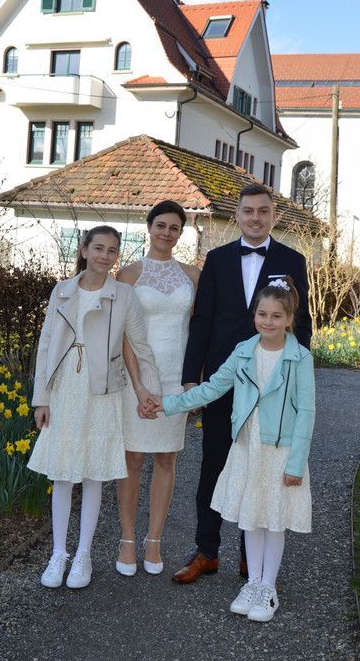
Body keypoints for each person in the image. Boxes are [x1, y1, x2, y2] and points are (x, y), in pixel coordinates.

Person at [147, 277, 315, 622]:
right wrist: (167, 404)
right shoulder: (243, 351)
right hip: (248, 447)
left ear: (289, 319)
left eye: (276, 316)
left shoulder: (299, 358)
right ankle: (252, 584)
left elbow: (306, 413)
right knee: (252, 516)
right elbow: (211, 389)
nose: (268, 321)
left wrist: (296, 463)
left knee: (273, 519)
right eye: (262, 314)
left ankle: (268, 587)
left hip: (280, 451)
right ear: (254, 316)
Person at [173, 182, 312, 584]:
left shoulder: (292, 260)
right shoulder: (216, 259)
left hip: (270, 382)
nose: (255, 218)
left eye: (263, 211)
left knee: (263, 466)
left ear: (273, 215)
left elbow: (302, 324)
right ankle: (207, 551)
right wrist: (191, 378)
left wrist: (292, 374)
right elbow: (202, 320)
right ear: (237, 215)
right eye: (248, 211)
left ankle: (252, 558)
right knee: (214, 465)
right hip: (224, 375)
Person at [27, 225, 160, 590]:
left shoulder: (124, 295)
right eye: (98, 248)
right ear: (84, 250)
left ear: (117, 255)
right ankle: (58, 554)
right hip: (64, 388)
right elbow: (46, 344)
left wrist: (150, 391)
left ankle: (83, 555)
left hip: (102, 391)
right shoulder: (62, 290)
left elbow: (140, 345)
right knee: (62, 473)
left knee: (92, 474)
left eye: (112, 250)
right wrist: (41, 397)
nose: (105, 255)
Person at [115, 200, 200, 576]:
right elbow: (122, 335)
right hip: (138, 379)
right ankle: (127, 540)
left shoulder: (193, 276)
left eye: (174, 227)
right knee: (132, 459)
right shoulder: (129, 274)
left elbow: (198, 331)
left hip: (175, 380)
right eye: (161, 225)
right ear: (149, 227)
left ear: (181, 233)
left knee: (167, 459)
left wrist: (193, 383)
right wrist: (138, 386)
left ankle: (154, 541)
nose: (167, 232)